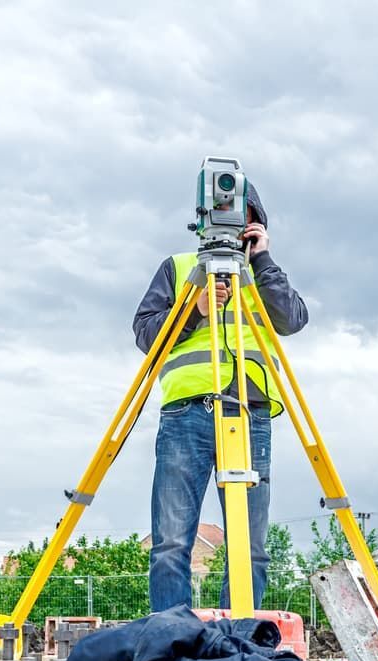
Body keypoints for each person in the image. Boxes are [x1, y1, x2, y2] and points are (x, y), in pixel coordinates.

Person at [133, 181, 309, 612]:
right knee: (172, 541)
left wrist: (262, 259)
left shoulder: (261, 276)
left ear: (256, 222)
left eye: (243, 214)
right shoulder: (179, 268)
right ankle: (172, 638)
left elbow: (292, 319)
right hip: (186, 415)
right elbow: (145, 334)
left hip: (250, 414)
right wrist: (195, 310)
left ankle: (240, 637)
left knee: (250, 545)